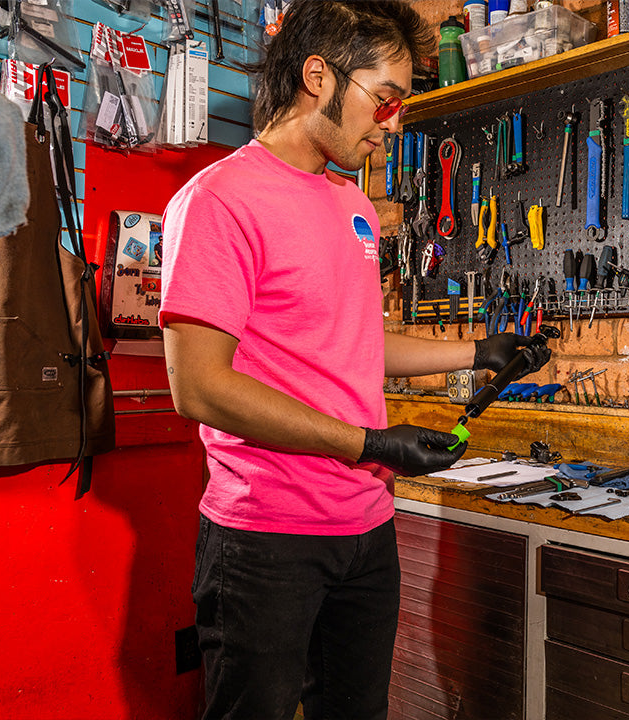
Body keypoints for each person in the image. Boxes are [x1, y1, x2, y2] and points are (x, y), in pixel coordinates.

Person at [158, 2, 550, 718]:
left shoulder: (353, 205)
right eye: (386, 99)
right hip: (265, 538)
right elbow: (201, 388)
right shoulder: (220, 201)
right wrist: (366, 443)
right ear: (319, 76)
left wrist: (478, 350)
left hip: (365, 527)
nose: (394, 122)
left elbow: (357, 340)